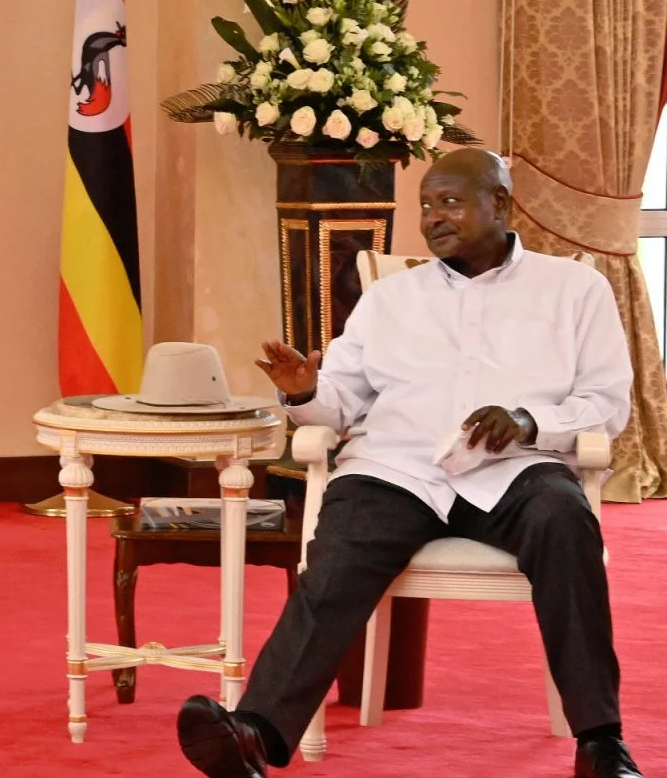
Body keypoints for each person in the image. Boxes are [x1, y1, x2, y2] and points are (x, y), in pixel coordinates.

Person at [175, 149, 641, 778]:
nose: (433, 218)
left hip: (517, 471)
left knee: (566, 522)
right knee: (335, 560)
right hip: (398, 471)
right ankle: (255, 734)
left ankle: (600, 744)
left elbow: (607, 403)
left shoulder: (574, 289)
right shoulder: (389, 298)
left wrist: (532, 421)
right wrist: (306, 391)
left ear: (500, 204)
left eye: (450, 201)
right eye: (425, 205)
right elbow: (338, 408)